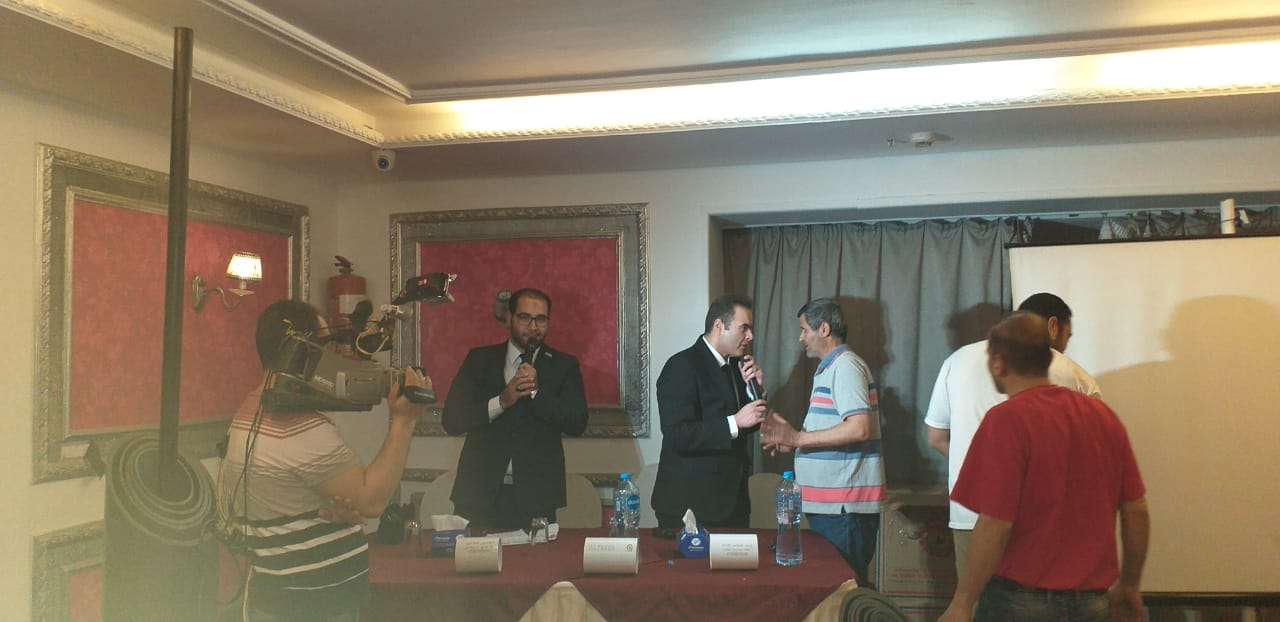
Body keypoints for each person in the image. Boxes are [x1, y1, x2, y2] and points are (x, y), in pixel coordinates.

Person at [216, 300, 430, 622]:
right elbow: (372, 500)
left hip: (282, 596)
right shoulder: (298, 427)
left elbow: (287, 499)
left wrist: (334, 511)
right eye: (325, 346)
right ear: (301, 352)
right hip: (313, 604)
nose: (332, 355)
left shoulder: (248, 411)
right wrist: (404, 421)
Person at [938, 313, 1149, 622]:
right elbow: (1135, 509)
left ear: (998, 364)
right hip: (1093, 603)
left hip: (1018, 603)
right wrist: (1129, 585)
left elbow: (996, 523)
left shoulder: (1006, 421)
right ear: (1047, 358)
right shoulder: (1103, 416)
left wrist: (963, 602)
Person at [924, 292, 1101, 575]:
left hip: (971, 514)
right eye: (1067, 337)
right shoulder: (1072, 373)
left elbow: (936, 437)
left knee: (975, 596)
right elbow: (1092, 453)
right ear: (1052, 326)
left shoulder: (957, 361)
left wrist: (973, 464)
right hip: (1041, 519)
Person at [760, 298, 884, 587]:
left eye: (804, 330)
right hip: (835, 510)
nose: (800, 338)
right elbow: (839, 430)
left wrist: (798, 438)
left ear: (824, 329)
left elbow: (860, 428)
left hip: (844, 511)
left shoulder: (845, 366)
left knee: (845, 590)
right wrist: (796, 444)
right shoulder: (832, 368)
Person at [443, 288, 588, 529]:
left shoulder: (564, 365)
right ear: (509, 318)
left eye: (541, 319)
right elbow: (451, 421)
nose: (533, 327)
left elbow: (577, 423)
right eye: (524, 318)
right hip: (478, 493)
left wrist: (536, 393)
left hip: (537, 498)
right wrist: (501, 402)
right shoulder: (479, 360)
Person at [651, 294, 768, 529]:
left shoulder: (735, 366)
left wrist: (756, 391)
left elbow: (747, 424)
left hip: (732, 503)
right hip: (690, 505)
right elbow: (678, 434)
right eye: (744, 328)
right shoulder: (681, 365)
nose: (750, 336)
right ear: (719, 325)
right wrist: (734, 422)